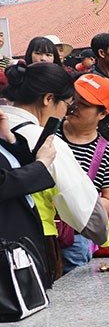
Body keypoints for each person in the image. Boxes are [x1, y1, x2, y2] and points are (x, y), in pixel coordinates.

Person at [3, 61, 109, 280]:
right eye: (69, 103)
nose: (68, 111)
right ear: (48, 99)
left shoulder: (6, 125)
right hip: (29, 243)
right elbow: (84, 209)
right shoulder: (48, 142)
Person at [56, 74, 109, 271]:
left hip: (74, 237)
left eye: (84, 104)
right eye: (73, 98)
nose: (73, 106)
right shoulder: (48, 132)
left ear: (103, 114)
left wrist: (65, 201)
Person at [0, 108, 57, 287]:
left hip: (21, 235)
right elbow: (4, 183)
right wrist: (41, 165)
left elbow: (16, 164)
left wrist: (9, 139)